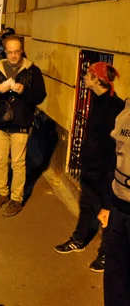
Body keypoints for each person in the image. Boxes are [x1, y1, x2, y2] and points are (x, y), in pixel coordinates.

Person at [54, 62, 124, 273]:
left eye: (88, 74)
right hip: (91, 168)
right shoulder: (95, 100)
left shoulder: (115, 107)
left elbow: (113, 144)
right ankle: (79, 239)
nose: (84, 77)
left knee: (107, 213)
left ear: (97, 79)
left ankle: (106, 253)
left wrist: (109, 172)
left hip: (107, 171)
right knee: (86, 206)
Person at [0, 35, 46, 217]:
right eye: (9, 52)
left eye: (16, 52)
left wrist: (24, 91)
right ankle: (2, 192)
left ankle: (16, 199)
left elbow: (40, 96)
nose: (12, 56)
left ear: (22, 51)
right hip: (0, 121)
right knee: (0, 160)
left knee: (18, 163)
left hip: (21, 122)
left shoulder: (32, 70)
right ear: (5, 51)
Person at [100, 97, 130, 304]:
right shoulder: (125, 111)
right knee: (114, 276)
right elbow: (115, 160)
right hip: (119, 205)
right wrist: (107, 205)